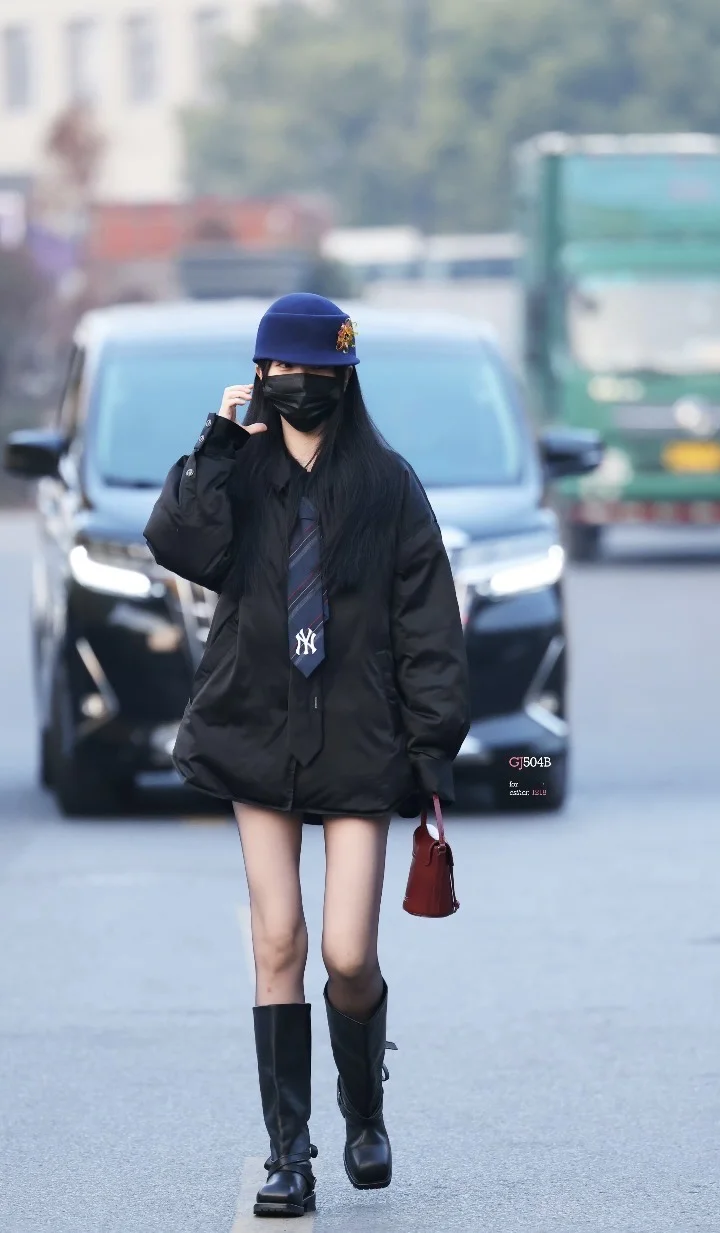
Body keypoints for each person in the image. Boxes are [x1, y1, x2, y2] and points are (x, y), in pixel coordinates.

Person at [143, 292, 470, 1217]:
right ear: (261, 377)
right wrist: (216, 440)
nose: (304, 383)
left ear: (346, 378)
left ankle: (365, 1106)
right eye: (286, 370)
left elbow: (429, 627)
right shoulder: (237, 472)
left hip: (360, 738)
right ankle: (289, 1156)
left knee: (347, 952)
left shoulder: (389, 485)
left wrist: (432, 745)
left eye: (322, 370)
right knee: (278, 938)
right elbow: (177, 542)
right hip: (258, 727)